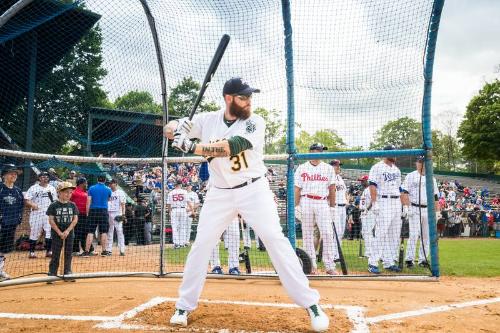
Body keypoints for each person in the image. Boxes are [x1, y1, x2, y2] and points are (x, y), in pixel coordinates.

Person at [163, 77, 329, 331]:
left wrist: (191, 145)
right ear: (229, 99)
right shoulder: (208, 120)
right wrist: (176, 127)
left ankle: (311, 304)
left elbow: (231, 147)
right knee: (202, 244)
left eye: (250, 96)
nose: (249, 101)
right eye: (243, 97)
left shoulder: (255, 121)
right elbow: (168, 128)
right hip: (219, 192)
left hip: (254, 190)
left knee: (275, 239)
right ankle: (184, 305)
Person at [294, 143, 338, 275]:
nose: (320, 152)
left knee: (328, 233)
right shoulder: (302, 168)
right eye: (318, 150)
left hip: (322, 202)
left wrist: (332, 207)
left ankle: (329, 265)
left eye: (321, 150)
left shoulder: (328, 168)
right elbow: (297, 188)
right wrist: (296, 206)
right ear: (311, 151)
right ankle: (311, 265)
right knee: (307, 234)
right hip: (306, 200)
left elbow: (332, 188)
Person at [367, 145, 403, 274]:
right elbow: (372, 185)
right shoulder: (377, 167)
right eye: (392, 153)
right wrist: (375, 202)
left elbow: (400, 189)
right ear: (386, 153)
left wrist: (404, 205)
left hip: (396, 202)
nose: (394, 155)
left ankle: (389, 262)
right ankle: (372, 263)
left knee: (394, 235)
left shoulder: (397, 170)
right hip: (383, 201)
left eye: (395, 153)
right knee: (381, 233)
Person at [400, 156, 438, 268]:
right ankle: (409, 260)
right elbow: (404, 192)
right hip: (415, 208)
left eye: (423, 162)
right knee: (414, 234)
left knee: (426, 236)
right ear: (416, 163)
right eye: (419, 162)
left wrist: (437, 211)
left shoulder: (432, 178)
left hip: (428, 209)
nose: (421, 164)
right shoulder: (410, 176)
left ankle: (423, 260)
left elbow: (435, 196)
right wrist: (407, 207)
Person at [46, 182, 79, 280]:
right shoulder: (53, 205)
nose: (69, 194)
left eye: (70, 192)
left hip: (69, 233)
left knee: (68, 253)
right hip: (57, 234)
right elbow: (51, 220)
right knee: (56, 253)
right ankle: (52, 272)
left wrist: (67, 231)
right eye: (66, 192)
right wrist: (59, 232)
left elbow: (75, 219)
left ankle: (67, 271)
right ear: (59, 193)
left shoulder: (72, 205)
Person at [0, 165, 25, 281]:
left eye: (15, 173)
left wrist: (18, 219)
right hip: (1, 223)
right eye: (11, 173)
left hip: (11, 224)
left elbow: (20, 207)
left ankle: (0, 271)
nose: (14, 175)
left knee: (4, 249)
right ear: (4, 175)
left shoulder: (18, 191)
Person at [25, 172, 58, 258]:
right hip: (36, 214)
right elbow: (26, 200)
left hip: (48, 214)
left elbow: (55, 201)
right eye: (43, 177)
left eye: (47, 177)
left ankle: (49, 251)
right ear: (39, 178)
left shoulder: (52, 188)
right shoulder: (33, 188)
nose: (45, 178)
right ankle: (32, 252)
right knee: (34, 232)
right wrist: (32, 205)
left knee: (49, 232)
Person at [83, 175, 112, 257]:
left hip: (93, 210)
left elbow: (88, 201)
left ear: (97, 179)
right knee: (104, 232)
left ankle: (86, 251)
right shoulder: (108, 189)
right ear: (105, 180)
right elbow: (108, 199)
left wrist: (87, 213)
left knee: (90, 231)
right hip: (103, 211)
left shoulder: (92, 188)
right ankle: (104, 251)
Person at [330, 160, 348, 258]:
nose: (339, 167)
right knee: (336, 231)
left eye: (339, 165)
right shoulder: (329, 177)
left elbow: (345, 191)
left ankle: (337, 254)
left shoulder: (340, 178)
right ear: (331, 167)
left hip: (343, 207)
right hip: (335, 206)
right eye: (337, 166)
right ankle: (333, 255)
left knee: (341, 232)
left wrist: (347, 200)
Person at [71, 177, 92, 254]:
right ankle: (75, 250)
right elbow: (69, 201)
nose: (86, 184)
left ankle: (88, 250)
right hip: (77, 215)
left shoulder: (86, 192)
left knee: (85, 232)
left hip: (85, 214)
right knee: (77, 232)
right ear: (81, 184)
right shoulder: (74, 192)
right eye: (85, 183)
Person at [106, 179, 127, 256]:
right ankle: (109, 250)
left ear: (116, 184)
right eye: (110, 183)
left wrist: (123, 214)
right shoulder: (108, 191)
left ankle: (122, 250)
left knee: (119, 231)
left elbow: (123, 204)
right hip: (109, 213)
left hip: (117, 213)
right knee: (109, 231)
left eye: (112, 183)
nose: (110, 185)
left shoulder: (120, 192)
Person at [167, 181, 189, 249]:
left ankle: (177, 243)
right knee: (183, 226)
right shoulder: (184, 192)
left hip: (174, 210)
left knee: (175, 227)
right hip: (183, 210)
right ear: (180, 185)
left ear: (175, 185)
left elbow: (168, 204)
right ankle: (182, 243)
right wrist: (192, 210)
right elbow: (188, 201)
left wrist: (169, 212)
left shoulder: (171, 192)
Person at [358, 175, 375, 258]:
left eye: (363, 181)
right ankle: (369, 252)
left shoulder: (370, 189)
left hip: (369, 213)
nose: (361, 182)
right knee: (365, 233)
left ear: (367, 181)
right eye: (361, 181)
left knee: (368, 233)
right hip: (364, 213)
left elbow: (373, 200)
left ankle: (370, 253)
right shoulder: (365, 190)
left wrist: (367, 209)